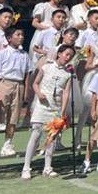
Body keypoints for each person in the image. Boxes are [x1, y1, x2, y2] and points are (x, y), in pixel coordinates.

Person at [21, 44, 75, 179]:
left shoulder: (68, 74)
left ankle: (47, 167)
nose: (68, 58)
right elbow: (35, 83)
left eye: (71, 56)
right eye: (66, 54)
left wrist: (63, 110)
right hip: (43, 105)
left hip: (56, 108)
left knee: (52, 137)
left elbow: (66, 92)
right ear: (59, 54)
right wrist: (39, 94)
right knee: (35, 135)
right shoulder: (46, 67)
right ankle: (26, 167)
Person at [0, 26, 32, 158]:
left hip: (19, 85)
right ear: (9, 38)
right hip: (4, 84)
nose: (21, 37)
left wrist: (26, 90)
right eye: (18, 34)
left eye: (22, 35)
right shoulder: (2, 53)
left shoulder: (25, 55)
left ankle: (7, 144)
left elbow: (27, 74)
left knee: (14, 117)